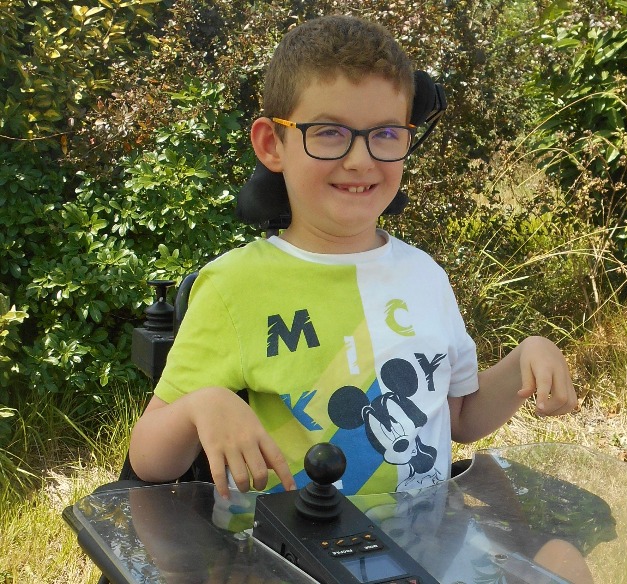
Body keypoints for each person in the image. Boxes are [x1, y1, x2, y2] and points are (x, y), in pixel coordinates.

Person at [129, 14, 576, 501]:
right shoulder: (235, 285)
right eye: (328, 132)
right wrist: (203, 405)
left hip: (425, 537)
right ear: (272, 144)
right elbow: (149, 460)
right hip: (295, 542)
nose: (361, 160)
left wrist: (525, 359)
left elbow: (460, 420)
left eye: (386, 134)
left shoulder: (424, 275)